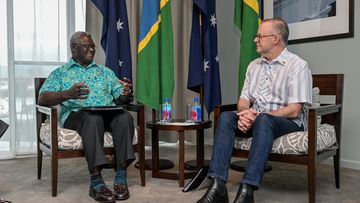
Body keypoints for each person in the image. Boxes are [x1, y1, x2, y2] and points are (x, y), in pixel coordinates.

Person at [197, 18, 312, 203]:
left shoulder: (298, 66)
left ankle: (247, 190)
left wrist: (258, 116)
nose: (255, 40)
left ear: (275, 39)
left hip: (287, 122)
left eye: (260, 36)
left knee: (264, 120)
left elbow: (294, 110)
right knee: (226, 118)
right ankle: (218, 186)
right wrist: (245, 113)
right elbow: (243, 101)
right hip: (258, 119)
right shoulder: (253, 66)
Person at [39, 31, 134, 203]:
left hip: (108, 112)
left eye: (93, 47)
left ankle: (121, 176)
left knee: (124, 116)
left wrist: (127, 93)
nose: (91, 50)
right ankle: (96, 182)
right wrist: (67, 94)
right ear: (74, 49)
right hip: (77, 115)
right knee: (92, 119)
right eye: (87, 46)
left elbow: (121, 97)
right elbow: (42, 98)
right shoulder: (61, 73)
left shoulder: (105, 72)